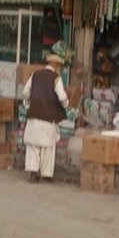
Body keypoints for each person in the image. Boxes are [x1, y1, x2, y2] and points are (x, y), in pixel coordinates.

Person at [22, 53, 69, 182]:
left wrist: (30, 101)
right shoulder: (56, 78)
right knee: (48, 147)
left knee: (33, 145)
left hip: (34, 115)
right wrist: (66, 105)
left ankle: (33, 173)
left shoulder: (35, 74)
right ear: (57, 65)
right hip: (48, 118)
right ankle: (46, 174)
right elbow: (62, 97)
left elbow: (25, 92)